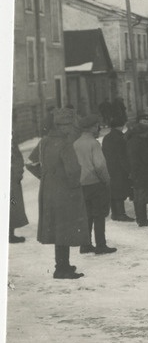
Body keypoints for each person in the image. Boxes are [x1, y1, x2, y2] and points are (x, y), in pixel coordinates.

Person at [31, 108, 91, 279]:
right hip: (65, 193)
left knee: (59, 229)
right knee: (65, 229)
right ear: (64, 126)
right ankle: (61, 269)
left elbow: (30, 163)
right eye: (68, 125)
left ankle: (62, 264)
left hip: (48, 191)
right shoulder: (65, 144)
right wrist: (74, 185)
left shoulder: (44, 142)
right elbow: (73, 170)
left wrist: (45, 177)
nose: (70, 129)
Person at [73, 115, 117, 255]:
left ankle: (85, 245)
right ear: (91, 127)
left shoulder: (76, 143)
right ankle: (101, 245)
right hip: (95, 183)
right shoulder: (93, 143)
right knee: (98, 215)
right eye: (97, 126)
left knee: (87, 215)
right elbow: (100, 165)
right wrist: (106, 179)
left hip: (81, 184)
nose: (98, 128)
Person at [102, 115, 136, 222]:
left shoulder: (106, 137)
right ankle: (121, 214)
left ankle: (115, 213)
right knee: (120, 191)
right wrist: (129, 170)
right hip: (119, 169)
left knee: (113, 190)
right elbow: (123, 156)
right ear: (121, 126)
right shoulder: (120, 138)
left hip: (109, 167)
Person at [126, 123, 148, 227]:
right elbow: (147, 158)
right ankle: (143, 220)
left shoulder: (130, 141)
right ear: (142, 133)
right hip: (142, 173)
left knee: (137, 197)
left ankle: (140, 218)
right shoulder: (140, 142)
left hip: (134, 172)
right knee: (141, 197)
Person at [10, 128, 29, 243]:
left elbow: (18, 160)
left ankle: (9, 233)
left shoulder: (12, 145)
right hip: (10, 182)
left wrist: (18, 173)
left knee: (12, 206)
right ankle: (8, 234)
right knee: (11, 205)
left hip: (12, 181)